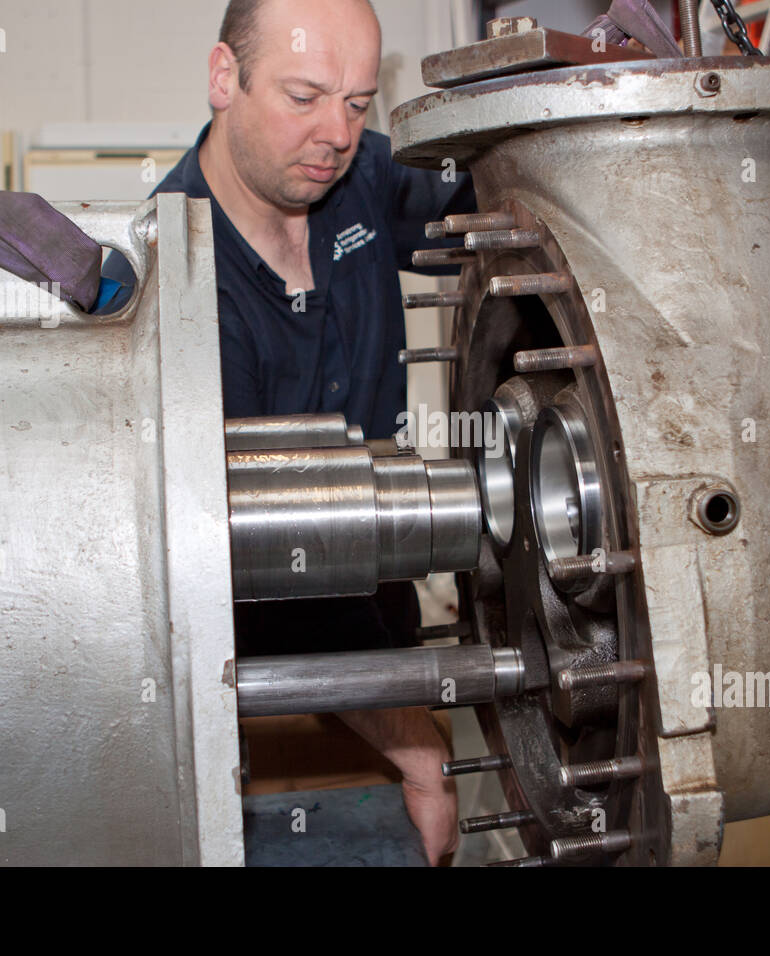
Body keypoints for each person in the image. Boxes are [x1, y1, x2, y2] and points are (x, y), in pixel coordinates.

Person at [102, 0, 475, 865]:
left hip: (385, 633)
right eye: (305, 96)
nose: (336, 133)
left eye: (356, 102)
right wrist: (415, 747)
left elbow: (504, 202)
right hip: (258, 690)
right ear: (223, 77)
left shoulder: (364, 178)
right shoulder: (177, 285)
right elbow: (235, 558)